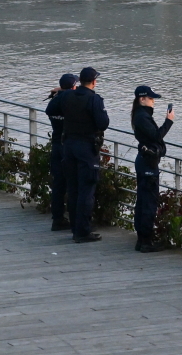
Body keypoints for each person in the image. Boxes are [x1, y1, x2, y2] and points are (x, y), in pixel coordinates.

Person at [59, 66, 108, 243]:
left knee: (73, 189)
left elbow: (52, 109)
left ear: (79, 81)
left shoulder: (67, 96)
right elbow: (103, 123)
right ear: (94, 81)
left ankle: (75, 228)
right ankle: (83, 231)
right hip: (87, 148)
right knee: (87, 190)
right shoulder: (94, 99)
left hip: (69, 145)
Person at [130, 85, 174, 252]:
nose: (153, 101)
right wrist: (169, 121)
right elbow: (156, 136)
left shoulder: (140, 115)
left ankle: (142, 239)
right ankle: (146, 241)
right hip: (147, 163)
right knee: (148, 202)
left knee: (143, 200)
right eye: (151, 98)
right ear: (142, 99)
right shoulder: (142, 117)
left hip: (144, 161)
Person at [44, 73, 78, 232]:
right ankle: (76, 220)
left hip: (56, 144)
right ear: (73, 87)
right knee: (73, 184)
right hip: (68, 146)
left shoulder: (54, 104)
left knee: (58, 184)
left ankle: (57, 219)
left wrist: (60, 91)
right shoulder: (70, 104)